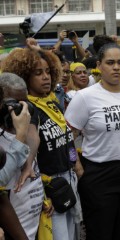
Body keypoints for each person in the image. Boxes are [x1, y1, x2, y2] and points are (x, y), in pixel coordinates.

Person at [65, 43, 120, 240]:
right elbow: (68, 136)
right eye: (110, 62)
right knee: (100, 233)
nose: (116, 67)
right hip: (99, 174)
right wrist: (78, 168)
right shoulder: (85, 97)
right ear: (99, 65)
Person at [1, 38, 83, 240]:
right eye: (38, 73)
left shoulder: (52, 102)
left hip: (68, 180)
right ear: (24, 77)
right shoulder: (29, 109)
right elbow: (31, 137)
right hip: (46, 186)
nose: (46, 77)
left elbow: (66, 137)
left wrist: (77, 164)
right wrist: (30, 166)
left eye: (48, 71)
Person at [0, 73, 48, 240]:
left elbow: (32, 168)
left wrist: (42, 198)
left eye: (25, 103)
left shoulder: (26, 127)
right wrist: (20, 134)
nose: (23, 110)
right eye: (15, 104)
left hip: (32, 223)